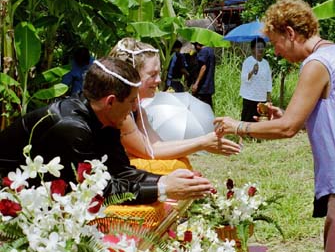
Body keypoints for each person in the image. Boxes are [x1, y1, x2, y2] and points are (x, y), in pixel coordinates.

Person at [214, 0, 335, 252]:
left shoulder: (316, 64)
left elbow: (286, 128)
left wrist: (238, 126)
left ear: (290, 33)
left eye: (276, 43)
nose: (276, 52)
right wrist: (299, 120)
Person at [0, 57, 213, 204]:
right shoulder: (71, 128)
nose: (133, 109)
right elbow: (100, 190)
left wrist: (164, 179)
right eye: (131, 102)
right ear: (110, 101)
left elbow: (119, 171)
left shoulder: (107, 119)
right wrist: (164, 188)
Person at [108, 38, 241, 170]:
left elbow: (157, 145)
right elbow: (149, 151)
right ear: (132, 76)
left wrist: (204, 141)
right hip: (112, 170)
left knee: (181, 161)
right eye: (153, 75)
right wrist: (202, 143)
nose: (159, 80)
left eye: (159, 74)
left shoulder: (138, 110)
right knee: (177, 166)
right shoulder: (121, 112)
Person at [240, 38, 272, 122]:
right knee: (247, 117)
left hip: (261, 96)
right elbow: (244, 78)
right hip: (249, 96)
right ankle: (244, 134)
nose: (260, 49)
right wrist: (252, 71)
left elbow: (268, 80)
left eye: (262, 47)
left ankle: (255, 134)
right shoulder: (248, 61)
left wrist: (268, 96)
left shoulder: (265, 63)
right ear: (253, 49)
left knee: (259, 118)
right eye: (258, 47)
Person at [191, 42, 215, 109]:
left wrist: (196, 83)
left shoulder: (203, 51)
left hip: (202, 87)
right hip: (208, 86)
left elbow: (203, 67)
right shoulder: (210, 50)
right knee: (207, 107)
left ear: (198, 45)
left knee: (199, 107)